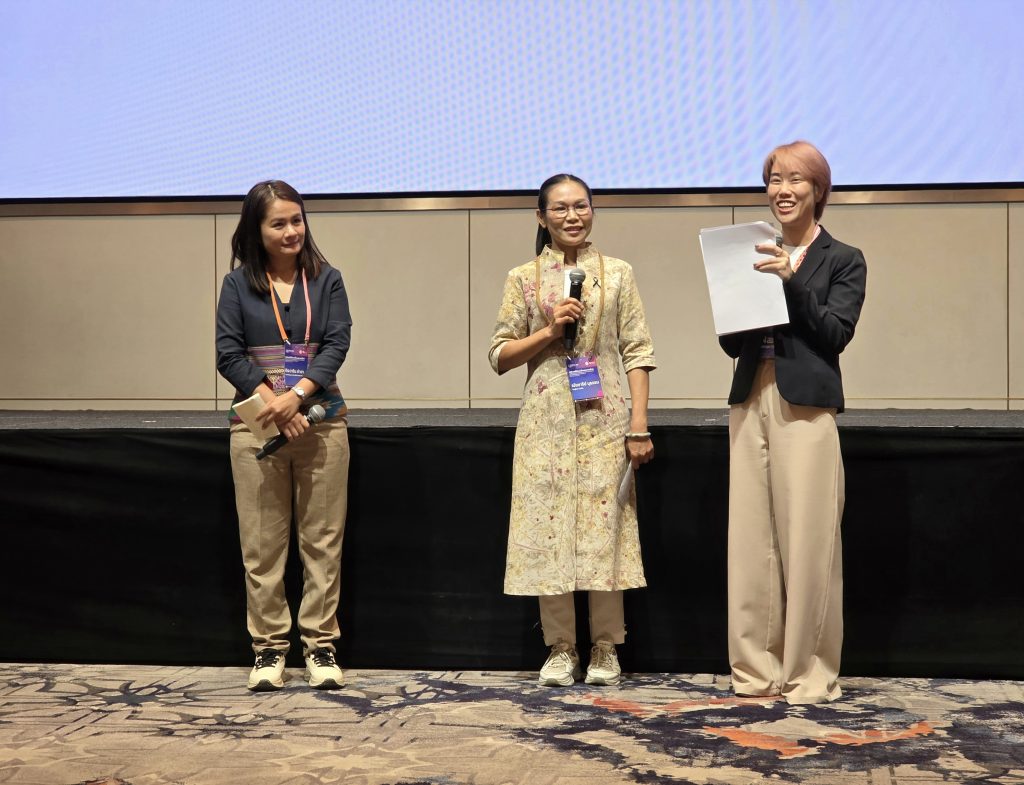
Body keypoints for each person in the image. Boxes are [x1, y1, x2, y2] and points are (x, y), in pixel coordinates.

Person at [488, 173, 656, 687]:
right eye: (559, 208)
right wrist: (549, 330)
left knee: (606, 528)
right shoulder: (523, 278)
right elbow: (499, 355)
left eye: (580, 206)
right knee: (550, 528)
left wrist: (639, 424)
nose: (572, 216)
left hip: (606, 418)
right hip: (547, 423)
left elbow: (638, 350)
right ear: (541, 217)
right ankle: (561, 647)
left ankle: (605, 646)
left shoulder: (618, 273)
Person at [719, 141, 866, 704]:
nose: (783, 189)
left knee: (809, 540)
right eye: (775, 179)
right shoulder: (754, 250)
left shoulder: (842, 258)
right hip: (749, 396)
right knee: (750, 541)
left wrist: (789, 280)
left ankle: (809, 673)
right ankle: (755, 671)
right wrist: (732, 291)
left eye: (796, 179)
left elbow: (834, 334)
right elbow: (731, 342)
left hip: (805, 406)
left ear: (818, 190)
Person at [216, 180, 352, 691]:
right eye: (279, 223)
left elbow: (337, 343)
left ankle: (320, 646)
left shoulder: (328, 278)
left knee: (323, 542)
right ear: (257, 230)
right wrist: (278, 402)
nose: (292, 230)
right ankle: (269, 648)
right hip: (256, 429)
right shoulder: (237, 285)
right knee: (262, 547)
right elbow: (228, 354)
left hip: (323, 422)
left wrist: (297, 396)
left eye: (297, 220)